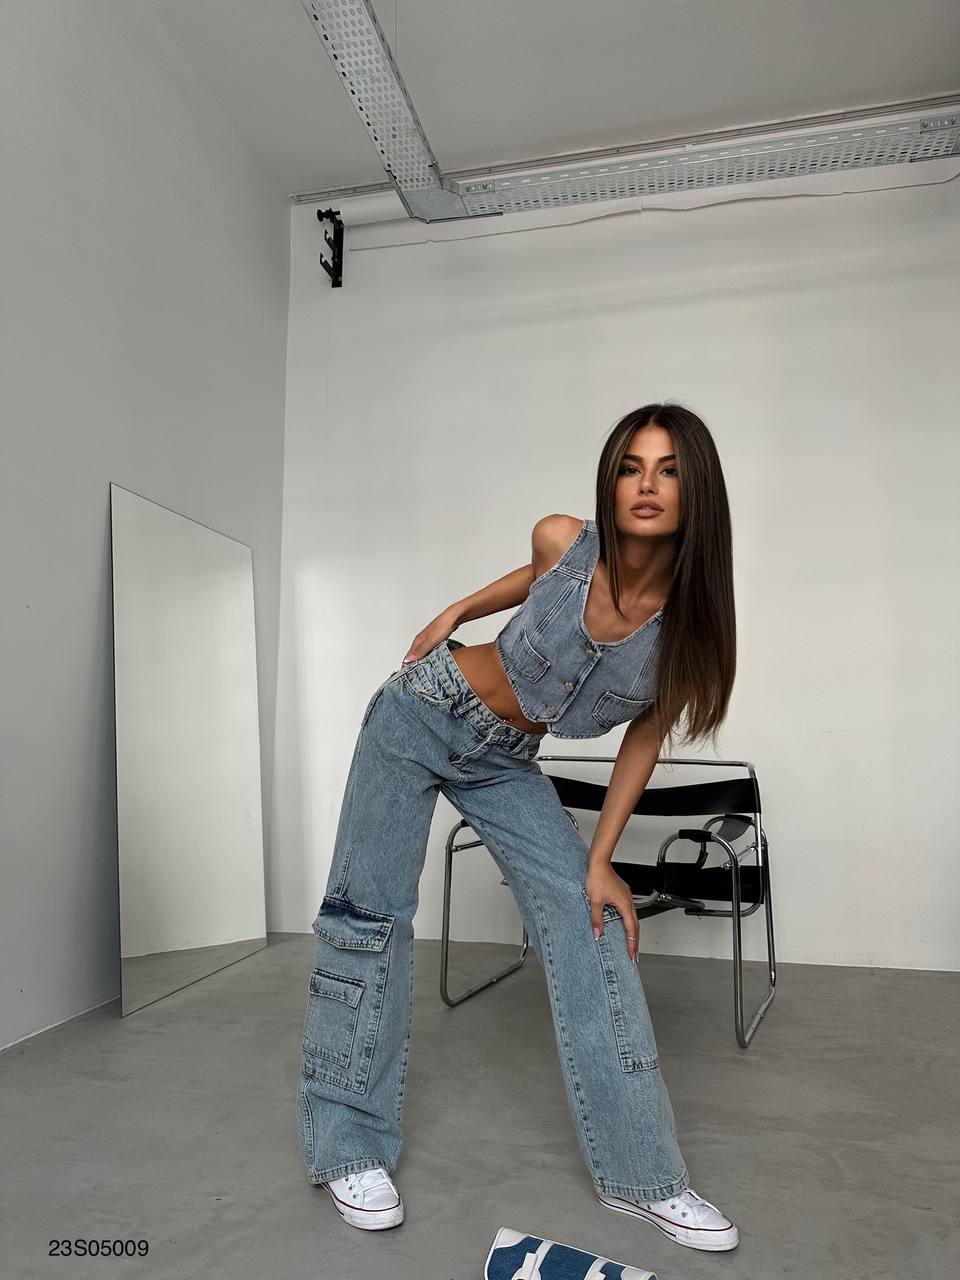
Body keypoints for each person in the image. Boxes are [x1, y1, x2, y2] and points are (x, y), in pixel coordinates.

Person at [296, 402, 740, 1252]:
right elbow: (538, 574)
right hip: (419, 714)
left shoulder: (689, 628)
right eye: (631, 466)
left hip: (503, 759)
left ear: (698, 492)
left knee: (592, 923)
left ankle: (644, 1176)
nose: (646, 485)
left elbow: (644, 735)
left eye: (670, 470)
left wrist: (601, 861)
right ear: (611, 480)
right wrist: (453, 614)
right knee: (367, 920)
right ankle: (348, 1147)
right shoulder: (563, 537)